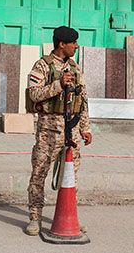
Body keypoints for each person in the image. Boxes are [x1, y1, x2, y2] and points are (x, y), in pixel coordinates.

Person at [24, 26, 93, 236]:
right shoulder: (42, 66)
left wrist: (85, 128)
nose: (77, 46)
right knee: (39, 174)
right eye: (73, 42)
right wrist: (58, 85)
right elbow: (34, 95)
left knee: (70, 178)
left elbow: (83, 101)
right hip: (48, 132)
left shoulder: (75, 67)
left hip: (70, 133)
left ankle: (68, 217)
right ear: (62, 44)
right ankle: (35, 218)